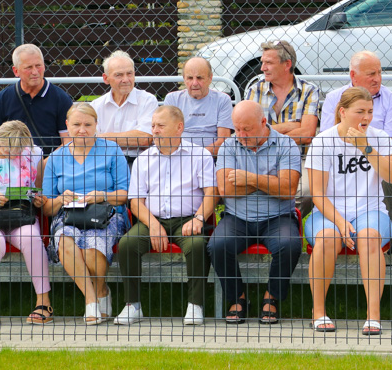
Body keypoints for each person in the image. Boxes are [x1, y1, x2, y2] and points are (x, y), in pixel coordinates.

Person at [305, 87, 392, 335]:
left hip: (370, 210)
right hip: (328, 212)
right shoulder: (323, 141)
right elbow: (317, 193)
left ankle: (373, 315)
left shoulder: (379, 137)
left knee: (369, 237)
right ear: (342, 112)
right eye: (360, 111)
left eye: (370, 111)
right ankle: (318, 312)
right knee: (327, 238)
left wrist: (365, 147)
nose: (366, 117)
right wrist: (339, 221)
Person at [115, 106, 219, 326]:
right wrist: (152, 224)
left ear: (179, 127)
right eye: (153, 126)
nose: (155, 131)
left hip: (188, 219)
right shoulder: (143, 159)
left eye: (161, 126)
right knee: (127, 244)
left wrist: (199, 219)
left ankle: (195, 305)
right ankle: (132, 305)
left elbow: (212, 193)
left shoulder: (200, 155)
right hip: (152, 219)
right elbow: (135, 201)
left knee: (198, 245)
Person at [208, 100, 302, 325]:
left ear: (263, 122)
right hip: (237, 217)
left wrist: (248, 179)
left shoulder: (286, 144)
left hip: (278, 217)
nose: (240, 134)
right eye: (237, 128)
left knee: (289, 245)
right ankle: (237, 298)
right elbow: (227, 189)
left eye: (246, 129)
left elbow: (288, 189)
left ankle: (272, 297)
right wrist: (270, 182)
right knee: (217, 245)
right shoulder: (230, 145)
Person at [42, 103, 130, 325]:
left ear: (96, 125)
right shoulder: (55, 157)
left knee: (92, 246)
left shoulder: (111, 150)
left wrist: (101, 195)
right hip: (68, 216)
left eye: (88, 124)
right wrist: (61, 199)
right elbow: (46, 207)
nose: (82, 130)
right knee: (66, 240)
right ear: (67, 126)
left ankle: (101, 290)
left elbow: (125, 194)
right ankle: (91, 300)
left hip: (106, 214)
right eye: (77, 124)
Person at [0, 121, 53, 324]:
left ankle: (44, 302)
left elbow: (38, 188)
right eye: (10, 149)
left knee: (32, 238)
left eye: (19, 150)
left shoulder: (34, 153)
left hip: (22, 215)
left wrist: (38, 198)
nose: (14, 154)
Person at [244, 40, 319, 215]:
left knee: (306, 192)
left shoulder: (308, 91)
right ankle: (271, 222)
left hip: (297, 158)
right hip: (259, 155)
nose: (262, 68)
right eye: (263, 62)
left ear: (287, 65)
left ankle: (283, 220)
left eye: (268, 63)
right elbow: (248, 133)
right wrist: (292, 126)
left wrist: (266, 132)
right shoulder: (255, 90)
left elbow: (307, 134)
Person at [0, 44, 73, 155]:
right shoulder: (2, 99)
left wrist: (44, 165)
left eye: (38, 66)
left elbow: (68, 142)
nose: (35, 72)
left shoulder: (61, 99)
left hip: (49, 164)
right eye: (29, 67)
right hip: (12, 162)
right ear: (16, 71)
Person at [319, 51, 392, 145]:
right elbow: (326, 140)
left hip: (377, 157)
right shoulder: (333, 98)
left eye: (379, 73)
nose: (377, 79)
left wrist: (365, 148)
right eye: (371, 74)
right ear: (353, 75)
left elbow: (391, 144)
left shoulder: (391, 99)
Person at [92, 50, 158, 165]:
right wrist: (131, 137)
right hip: (104, 164)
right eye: (119, 75)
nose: (126, 80)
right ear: (106, 78)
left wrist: (102, 138)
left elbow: (145, 139)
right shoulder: (96, 106)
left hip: (138, 163)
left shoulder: (148, 100)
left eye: (129, 73)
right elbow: (89, 142)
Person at [164, 57, 233, 156]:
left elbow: (223, 142)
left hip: (211, 159)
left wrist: (197, 156)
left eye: (199, 78)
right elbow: (167, 137)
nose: (195, 83)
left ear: (210, 78)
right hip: (178, 157)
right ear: (184, 79)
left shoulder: (222, 100)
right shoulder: (172, 99)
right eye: (190, 78)